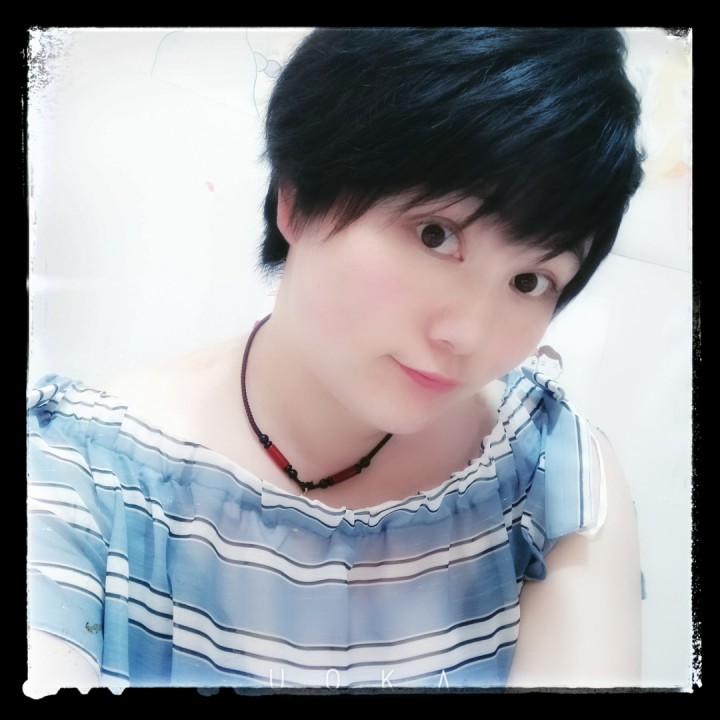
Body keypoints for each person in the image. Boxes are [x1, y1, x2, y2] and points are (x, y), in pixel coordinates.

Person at [26, 27, 645, 693]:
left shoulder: (551, 473)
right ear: (296, 199)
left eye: (529, 281)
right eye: (435, 235)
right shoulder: (80, 471)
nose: (469, 333)